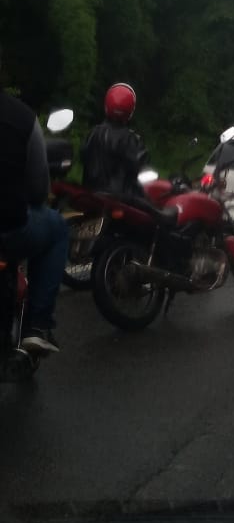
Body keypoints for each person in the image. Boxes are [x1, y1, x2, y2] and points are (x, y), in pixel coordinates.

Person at [0, 61, 68, 354]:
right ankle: (37, 325)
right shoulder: (23, 117)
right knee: (57, 227)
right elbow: (39, 189)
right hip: (10, 228)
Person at [81, 83, 148, 197]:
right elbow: (138, 163)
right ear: (130, 110)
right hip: (118, 199)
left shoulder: (94, 132)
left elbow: (83, 155)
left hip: (90, 193)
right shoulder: (129, 138)